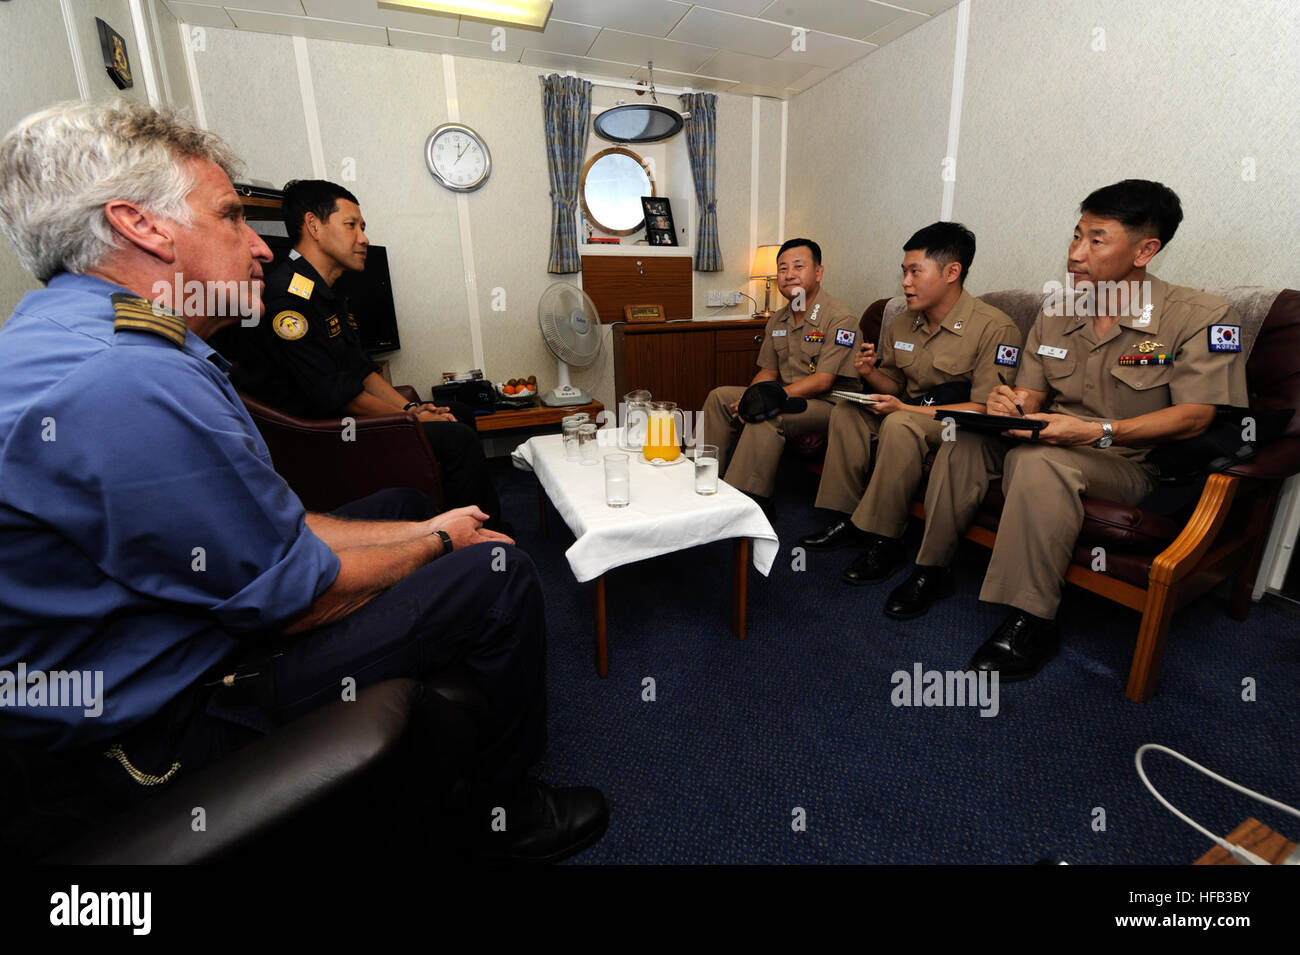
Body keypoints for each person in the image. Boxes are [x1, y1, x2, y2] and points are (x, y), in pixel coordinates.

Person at [0, 98, 606, 862]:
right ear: (141, 226)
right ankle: (505, 810)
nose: (259, 247)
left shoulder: (80, 330)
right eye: (231, 216)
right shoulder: (126, 376)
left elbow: (273, 525)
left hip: (159, 648)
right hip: (155, 730)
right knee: (498, 569)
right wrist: (443, 542)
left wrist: (426, 526)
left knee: (409, 504)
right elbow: (294, 591)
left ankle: (445, 710)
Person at [890, 180, 1248, 681]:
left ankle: (1031, 618)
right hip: (1048, 436)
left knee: (1040, 461)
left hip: (1126, 459)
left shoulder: (1201, 317)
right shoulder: (1059, 311)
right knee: (963, 436)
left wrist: (1095, 431)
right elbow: (1031, 396)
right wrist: (1007, 401)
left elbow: (1197, 416)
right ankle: (932, 569)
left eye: (1096, 240)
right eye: (1075, 235)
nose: (1075, 254)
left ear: (1146, 249)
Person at [231, 179, 507, 530]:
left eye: (362, 227)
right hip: (318, 439)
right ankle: (485, 540)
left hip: (341, 421)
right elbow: (336, 394)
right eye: (351, 226)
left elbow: (360, 371)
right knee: (456, 438)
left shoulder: (325, 292)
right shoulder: (287, 300)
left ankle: (466, 526)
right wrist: (413, 421)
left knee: (459, 412)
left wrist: (411, 409)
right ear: (314, 226)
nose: (363, 238)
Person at [798, 222, 1022, 588]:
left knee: (900, 426)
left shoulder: (995, 328)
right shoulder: (902, 322)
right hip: (913, 409)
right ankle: (847, 516)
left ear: (952, 272)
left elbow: (986, 410)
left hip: (958, 425)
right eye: (904, 271)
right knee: (848, 411)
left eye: (916, 271)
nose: (905, 282)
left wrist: (905, 411)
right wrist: (869, 374)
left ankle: (886, 541)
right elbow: (896, 385)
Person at [700, 238, 862, 505]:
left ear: (819, 273)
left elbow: (823, 381)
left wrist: (767, 398)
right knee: (719, 397)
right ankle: (705, 480)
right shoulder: (778, 318)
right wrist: (753, 395)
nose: (788, 275)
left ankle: (744, 501)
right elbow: (767, 371)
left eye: (798, 267)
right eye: (783, 268)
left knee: (768, 414)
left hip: (831, 404)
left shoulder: (840, 318)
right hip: (789, 395)